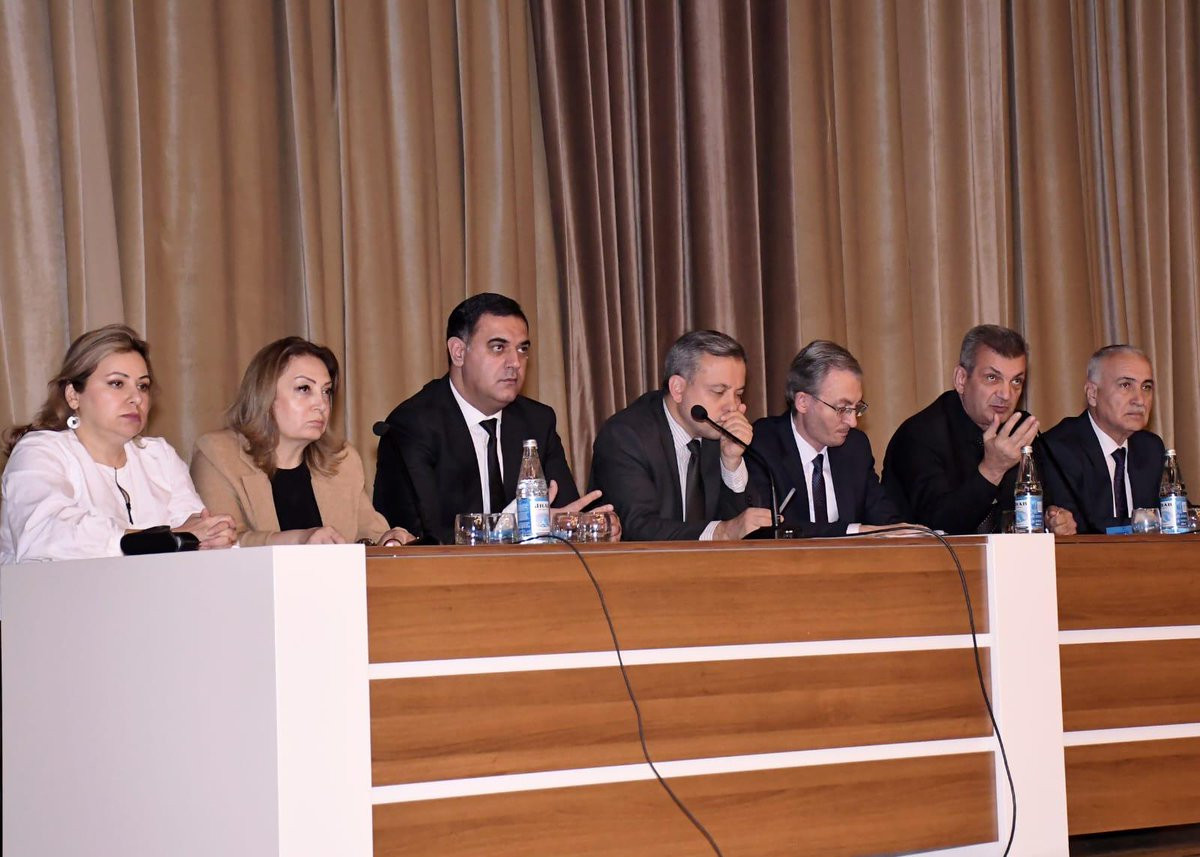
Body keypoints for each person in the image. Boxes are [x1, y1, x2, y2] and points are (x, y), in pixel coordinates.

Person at [373, 293, 608, 545]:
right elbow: (424, 539)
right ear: (458, 352)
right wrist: (514, 525)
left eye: (522, 349)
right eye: (498, 347)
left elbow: (564, 512)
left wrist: (584, 526)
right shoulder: (412, 426)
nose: (515, 363)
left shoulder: (537, 421)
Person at [1, 324, 235, 563]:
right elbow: (47, 535)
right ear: (73, 395)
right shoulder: (39, 451)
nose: (136, 398)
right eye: (117, 383)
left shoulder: (159, 456)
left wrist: (213, 537)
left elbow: (194, 530)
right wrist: (162, 539)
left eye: (143, 386)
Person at [191, 337, 413, 547]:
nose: (321, 404)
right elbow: (224, 543)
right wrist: (299, 539)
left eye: (326, 391)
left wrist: (390, 539)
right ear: (265, 395)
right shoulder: (218, 455)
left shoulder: (342, 461)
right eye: (304, 389)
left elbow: (369, 534)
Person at [882, 324, 1076, 535]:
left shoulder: (1020, 431)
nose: (1006, 394)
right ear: (961, 379)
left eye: (1016, 381)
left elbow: (1037, 507)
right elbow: (936, 528)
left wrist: (1053, 520)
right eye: (992, 378)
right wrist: (992, 471)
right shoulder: (919, 436)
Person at [589, 330, 774, 541]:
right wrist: (721, 532)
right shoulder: (625, 436)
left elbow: (746, 529)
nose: (733, 406)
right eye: (718, 391)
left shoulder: (717, 433)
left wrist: (731, 463)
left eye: (738, 394)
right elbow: (637, 527)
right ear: (678, 388)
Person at [749, 341, 903, 536]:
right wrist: (852, 531)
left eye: (856, 407)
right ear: (803, 402)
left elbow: (884, 519)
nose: (852, 422)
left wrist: (907, 533)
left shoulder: (855, 447)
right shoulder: (762, 444)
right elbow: (768, 529)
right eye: (842, 408)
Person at [1038, 345, 1164, 533]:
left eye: (1146, 387)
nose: (1140, 400)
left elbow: (1176, 515)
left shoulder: (1151, 448)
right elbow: (1082, 527)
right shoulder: (1057, 449)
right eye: (1125, 385)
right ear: (1092, 394)